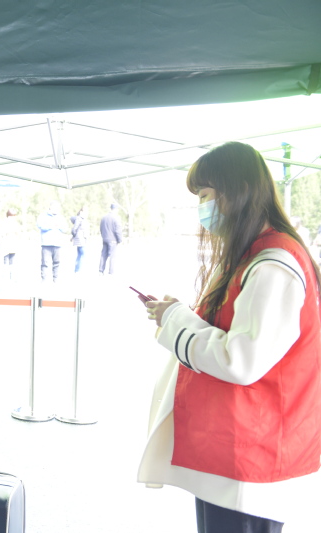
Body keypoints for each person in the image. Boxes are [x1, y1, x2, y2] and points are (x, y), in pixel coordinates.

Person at [138, 142, 321, 533]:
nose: (202, 208)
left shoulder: (273, 263)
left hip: (252, 457)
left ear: (239, 190)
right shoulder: (253, 256)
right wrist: (177, 316)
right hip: (236, 452)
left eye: (205, 195)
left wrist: (176, 321)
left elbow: (241, 360)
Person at [36, 201, 69, 283]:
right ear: (50, 207)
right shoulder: (43, 216)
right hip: (46, 244)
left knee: (57, 262)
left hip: (57, 244)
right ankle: (44, 280)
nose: (56, 209)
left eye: (58, 207)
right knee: (45, 263)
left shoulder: (61, 217)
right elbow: (39, 225)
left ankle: (55, 279)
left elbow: (65, 229)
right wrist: (50, 226)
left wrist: (59, 226)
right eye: (54, 207)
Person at [98, 203, 123, 275]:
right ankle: (111, 272)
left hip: (105, 239)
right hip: (113, 240)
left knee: (103, 255)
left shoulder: (104, 218)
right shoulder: (116, 218)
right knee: (112, 256)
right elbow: (118, 230)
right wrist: (120, 240)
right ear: (116, 209)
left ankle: (101, 270)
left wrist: (103, 236)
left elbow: (101, 228)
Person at [1, 208, 22, 283]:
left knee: (12, 262)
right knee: (5, 262)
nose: (12, 217)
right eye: (11, 215)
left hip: (13, 245)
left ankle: (12, 277)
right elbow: (2, 233)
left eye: (14, 216)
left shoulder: (15, 224)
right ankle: (5, 278)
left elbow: (18, 233)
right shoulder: (4, 223)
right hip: (6, 245)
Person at [70, 206, 88, 273]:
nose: (87, 213)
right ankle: (78, 270)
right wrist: (75, 236)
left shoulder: (82, 219)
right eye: (85, 211)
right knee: (83, 255)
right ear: (81, 211)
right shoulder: (79, 218)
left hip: (81, 239)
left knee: (80, 255)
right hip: (80, 239)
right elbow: (74, 229)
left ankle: (77, 270)